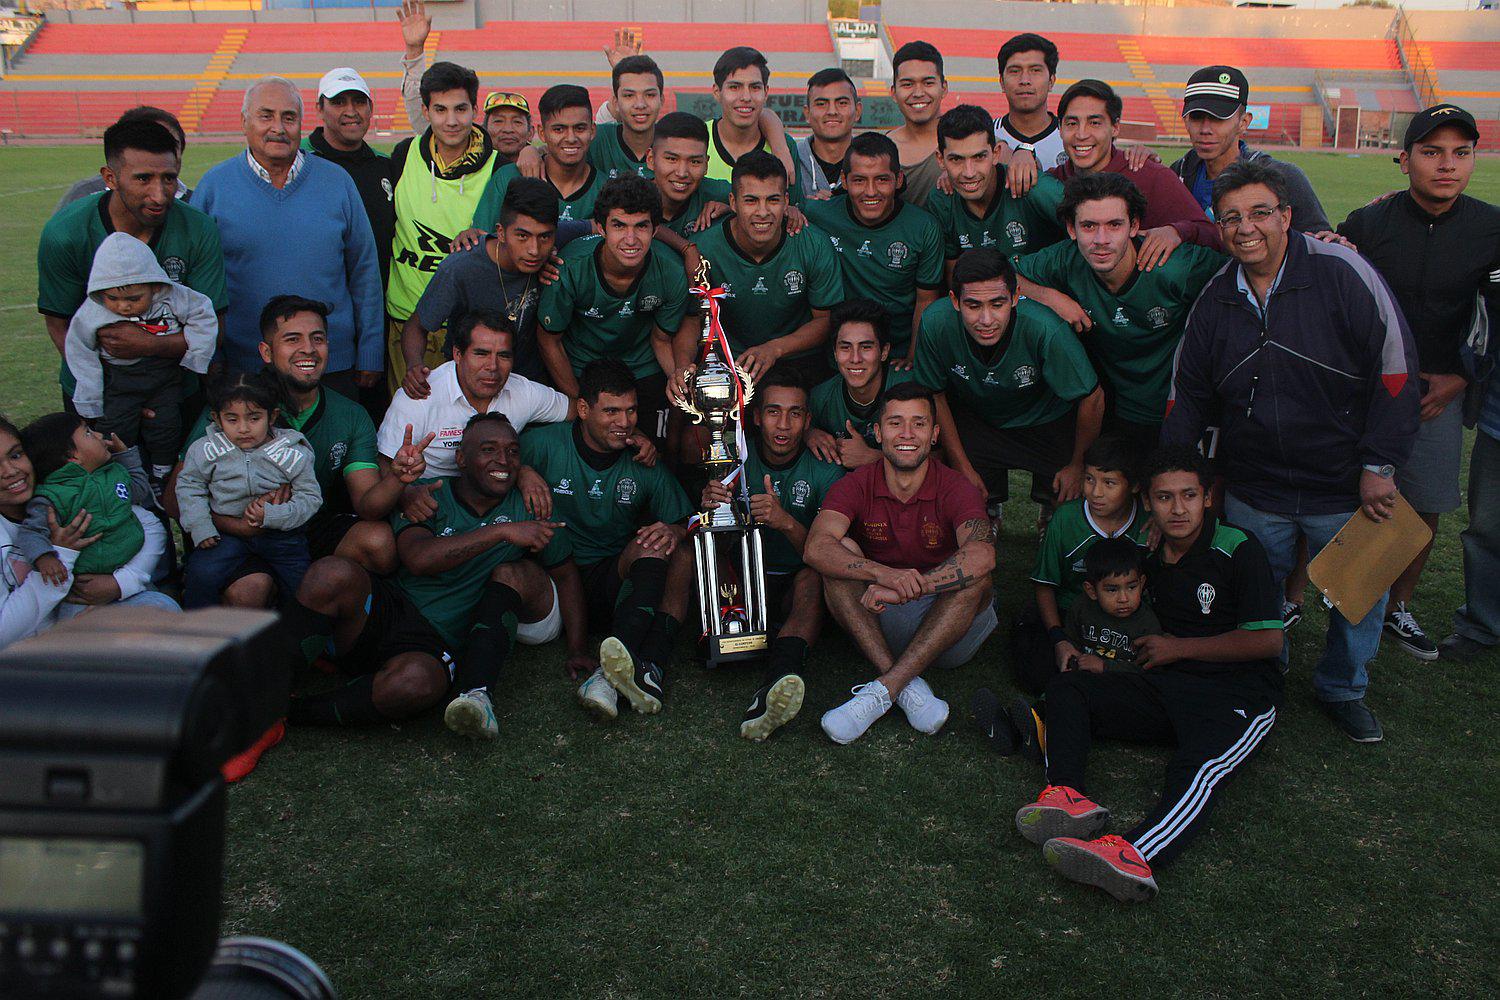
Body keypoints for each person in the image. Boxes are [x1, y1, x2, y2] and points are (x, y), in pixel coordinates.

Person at [1163, 159, 1420, 744]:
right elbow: (1188, 399)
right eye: (1230, 217)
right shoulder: (1215, 299)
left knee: (1359, 594)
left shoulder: (1342, 270)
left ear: (1286, 215)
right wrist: (1179, 479)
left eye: (1259, 213)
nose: (1245, 227)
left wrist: (1379, 466)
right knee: (1255, 591)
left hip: (1345, 480)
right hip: (1257, 485)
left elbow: (1397, 371)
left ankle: (1342, 687)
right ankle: (1262, 675)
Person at [1013, 446, 1284, 903]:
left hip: (1237, 691)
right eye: (1164, 498)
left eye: (1188, 496)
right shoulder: (1148, 553)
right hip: (1163, 681)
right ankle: (1067, 796)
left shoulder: (1238, 548)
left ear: (1208, 497)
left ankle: (1134, 853)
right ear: (1149, 502)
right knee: (1069, 684)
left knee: (1199, 768)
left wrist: (1179, 648)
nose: (1177, 509)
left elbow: (1268, 642)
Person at [283, 413, 571, 738]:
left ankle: (291, 713)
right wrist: (501, 532)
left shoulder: (532, 507)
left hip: (433, 644)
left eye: (513, 451)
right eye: (488, 449)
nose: (503, 460)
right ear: (461, 458)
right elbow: (418, 559)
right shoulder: (428, 494)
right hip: (387, 609)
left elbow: (565, 573)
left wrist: (578, 650)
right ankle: (273, 686)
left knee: (415, 684)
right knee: (331, 572)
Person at [1337, 104, 1500, 661]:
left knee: (1424, 499)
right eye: (1431, 152)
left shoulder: (1492, 228)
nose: (1446, 166)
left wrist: (1461, 376)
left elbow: (1495, 318)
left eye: (1460, 153)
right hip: (1369, 387)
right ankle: (1324, 597)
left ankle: (1397, 607)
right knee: (1341, 490)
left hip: (1437, 394)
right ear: (1404, 160)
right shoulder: (1367, 222)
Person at [165, 296, 410, 605]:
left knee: (378, 542)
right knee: (250, 588)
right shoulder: (237, 405)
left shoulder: (350, 414)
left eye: (317, 339)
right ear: (266, 352)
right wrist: (240, 524)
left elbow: (367, 506)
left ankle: (342, 637)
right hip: (234, 527)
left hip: (306, 522)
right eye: (292, 339)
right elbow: (174, 498)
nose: (308, 349)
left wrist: (398, 479)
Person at [805, 382, 996, 744]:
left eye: (919, 424)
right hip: (879, 617)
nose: (907, 434)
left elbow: (983, 553)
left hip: (949, 627)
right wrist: (883, 574)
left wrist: (914, 586)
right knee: (837, 554)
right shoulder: (857, 483)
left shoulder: (956, 486)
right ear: (877, 433)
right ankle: (907, 687)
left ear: (935, 434)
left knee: (977, 576)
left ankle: (885, 687)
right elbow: (816, 547)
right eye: (895, 423)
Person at [520, 360, 695, 720]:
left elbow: (686, 521)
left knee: (661, 543)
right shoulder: (542, 443)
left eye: (631, 410)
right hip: (553, 584)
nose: (625, 421)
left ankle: (610, 673)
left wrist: (672, 530)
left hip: (614, 584)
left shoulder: (642, 460)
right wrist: (523, 473)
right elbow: (496, 465)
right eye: (611, 411)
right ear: (583, 410)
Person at [194, 77, 383, 401]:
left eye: (288, 117)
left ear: (301, 122)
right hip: (245, 366)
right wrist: (211, 357)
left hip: (330, 364)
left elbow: (364, 270)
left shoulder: (337, 182)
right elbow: (197, 287)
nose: (278, 128)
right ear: (244, 122)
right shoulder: (214, 187)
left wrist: (369, 349)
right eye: (265, 116)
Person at [1016, 172, 1225, 453]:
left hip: (1180, 409)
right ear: (1071, 229)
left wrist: (1181, 230)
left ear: (1134, 225)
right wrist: (1050, 297)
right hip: (1117, 411)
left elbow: (1240, 274)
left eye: (1114, 225)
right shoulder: (1066, 259)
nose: (1101, 239)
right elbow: (998, 275)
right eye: (1089, 226)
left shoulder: (1174, 268)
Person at [38, 118, 226, 412]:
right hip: (100, 394)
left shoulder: (198, 229)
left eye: (168, 177)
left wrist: (149, 346)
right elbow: (59, 324)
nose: (159, 194)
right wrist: (114, 392)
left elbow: (214, 325)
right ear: (110, 178)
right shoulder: (65, 233)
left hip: (174, 390)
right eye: (143, 178)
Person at [699, 368, 844, 740]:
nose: (784, 424)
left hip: (797, 579)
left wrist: (785, 522)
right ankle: (719, 641)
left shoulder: (825, 468)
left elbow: (829, 555)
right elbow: (714, 545)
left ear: (808, 420)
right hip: (748, 581)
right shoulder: (732, 458)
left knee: (814, 579)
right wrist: (713, 513)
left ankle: (776, 681)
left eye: (795, 414)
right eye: (774, 412)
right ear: (757, 416)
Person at [914, 248, 1103, 527]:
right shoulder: (935, 322)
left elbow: (1093, 397)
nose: (986, 319)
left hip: (1045, 419)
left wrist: (1077, 463)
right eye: (973, 305)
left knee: (1068, 499)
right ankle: (988, 513)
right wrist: (962, 466)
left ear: (1015, 297)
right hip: (978, 417)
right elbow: (935, 394)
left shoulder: (1045, 328)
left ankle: (1049, 514)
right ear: (955, 301)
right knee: (964, 494)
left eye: (997, 303)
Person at [538, 176, 692, 439]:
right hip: (581, 367)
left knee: (655, 448)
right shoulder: (569, 268)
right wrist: (580, 403)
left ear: (655, 230)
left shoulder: (672, 272)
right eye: (619, 226)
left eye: (641, 226)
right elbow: (549, 341)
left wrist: (679, 379)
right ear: (600, 227)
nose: (631, 239)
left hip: (641, 366)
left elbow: (661, 338)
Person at [64, 232, 217, 488]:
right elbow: (79, 349)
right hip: (119, 381)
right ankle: (123, 477)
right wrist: (90, 396)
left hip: (164, 377)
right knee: (114, 429)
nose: (123, 307)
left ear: (154, 285)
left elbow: (203, 313)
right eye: (113, 299)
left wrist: (196, 358)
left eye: (134, 299)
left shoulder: (172, 296)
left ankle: (162, 473)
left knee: (166, 423)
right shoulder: (93, 310)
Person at [385, 61, 500, 395]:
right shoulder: (403, 155)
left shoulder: (501, 167)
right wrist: (412, 53)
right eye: (441, 109)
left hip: (468, 329)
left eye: (461, 109)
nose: (451, 120)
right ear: (426, 111)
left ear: (475, 109)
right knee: (409, 427)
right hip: (406, 321)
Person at [1004, 435, 1149, 698]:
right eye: (1089, 479)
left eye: (1109, 483)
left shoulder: (1148, 523)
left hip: (1125, 620)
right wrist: (1059, 639)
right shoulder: (1065, 518)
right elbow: (1045, 585)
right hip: (1068, 615)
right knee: (1037, 672)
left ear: (1135, 486)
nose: (1095, 492)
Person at [689, 151, 843, 384]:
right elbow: (690, 318)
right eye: (751, 200)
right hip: (729, 361)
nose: (762, 212)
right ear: (733, 202)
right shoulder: (705, 247)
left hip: (796, 358)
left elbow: (824, 320)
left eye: (772, 200)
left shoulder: (813, 244)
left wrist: (775, 349)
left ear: (786, 201)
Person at [176, 373, 322, 610]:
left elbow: (311, 497)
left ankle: (304, 640)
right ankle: (198, 633)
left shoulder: (292, 452)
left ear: (272, 416)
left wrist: (274, 516)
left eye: (254, 418)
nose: (243, 429)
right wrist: (201, 526)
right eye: (232, 420)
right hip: (225, 535)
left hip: (282, 536)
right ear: (217, 419)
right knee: (200, 573)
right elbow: (189, 486)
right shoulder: (206, 450)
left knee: (301, 586)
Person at [402, 179, 563, 390]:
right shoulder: (460, 268)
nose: (534, 249)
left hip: (528, 388)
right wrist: (415, 365)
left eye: (544, 237)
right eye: (522, 236)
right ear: (501, 232)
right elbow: (416, 326)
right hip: (468, 387)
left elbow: (597, 227)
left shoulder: (548, 253)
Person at [802, 132, 944, 365]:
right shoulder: (817, 212)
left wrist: (913, 357)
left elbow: (925, 301)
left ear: (898, 180)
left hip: (898, 353)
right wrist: (791, 212)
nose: (870, 191)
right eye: (859, 180)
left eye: (881, 179)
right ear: (844, 181)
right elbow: (777, 213)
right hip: (840, 355)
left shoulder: (924, 227)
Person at [381, 312, 571, 482]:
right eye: (481, 354)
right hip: (430, 500)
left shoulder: (523, 391)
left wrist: (525, 470)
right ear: (457, 354)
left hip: (494, 501)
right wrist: (408, 496)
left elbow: (578, 410)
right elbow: (384, 465)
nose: (492, 366)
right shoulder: (420, 396)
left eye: (503, 356)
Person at [1048, 79, 1221, 265]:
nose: (1081, 134)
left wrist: (1177, 231)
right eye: (1072, 124)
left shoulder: (1151, 175)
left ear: (1115, 127)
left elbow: (1212, 235)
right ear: (1060, 128)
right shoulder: (1052, 182)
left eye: (1095, 123)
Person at [0, 416, 122, 647]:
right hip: (30, 658)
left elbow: (146, 523)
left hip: (97, 611)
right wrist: (60, 554)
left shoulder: (61, 491)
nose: (10, 471)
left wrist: (123, 582)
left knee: (160, 605)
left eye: (15, 455)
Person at [1170, 66, 1330, 233]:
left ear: (1244, 122)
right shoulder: (1176, 174)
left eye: (1218, 118)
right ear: (1186, 120)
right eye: (1196, 117)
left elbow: (1320, 242)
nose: (1205, 129)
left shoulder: (1284, 178)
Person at [14, 416, 159, 597]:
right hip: (82, 588)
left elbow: (138, 491)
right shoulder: (54, 495)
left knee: (161, 607)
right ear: (72, 456)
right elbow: (31, 532)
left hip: (127, 571)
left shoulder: (113, 473)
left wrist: (126, 456)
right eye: (88, 433)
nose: (99, 435)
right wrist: (44, 557)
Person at [926, 104, 1066, 278]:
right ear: (940, 159)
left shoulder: (1034, 186)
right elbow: (954, 278)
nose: (969, 172)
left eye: (979, 157)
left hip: (1041, 295)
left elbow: (1090, 230)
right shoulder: (942, 200)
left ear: (996, 153)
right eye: (956, 159)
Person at [305, 68, 398, 297]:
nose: (351, 111)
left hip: (378, 303)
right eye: (338, 102)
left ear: (371, 109)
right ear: (320, 109)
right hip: (318, 305)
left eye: (359, 102)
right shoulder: (300, 162)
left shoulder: (385, 166)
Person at [470, 85, 604, 234]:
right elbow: (481, 241)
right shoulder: (508, 178)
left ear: (592, 131)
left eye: (580, 128)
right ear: (542, 133)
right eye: (559, 129)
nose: (571, 138)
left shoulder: (605, 189)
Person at [807, 299, 916, 470]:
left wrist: (873, 458)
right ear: (835, 353)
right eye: (845, 348)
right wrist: (807, 433)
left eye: (865, 347)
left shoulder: (909, 387)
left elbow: (938, 458)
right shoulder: (821, 398)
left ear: (884, 351)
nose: (855, 358)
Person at [54, 106, 192, 212]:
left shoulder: (197, 202)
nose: (157, 152)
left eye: (170, 145)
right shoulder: (82, 195)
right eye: (145, 143)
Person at [704, 46, 800, 196]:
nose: (746, 97)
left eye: (755, 87)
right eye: (735, 87)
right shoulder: (698, 141)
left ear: (766, 92)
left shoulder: (785, 147)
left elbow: (793, 209)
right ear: (717, 92)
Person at [1063, 536, 1162, 672]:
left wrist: (1105, 667)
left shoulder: (1147, 623)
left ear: (1142, 583)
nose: (1123, 598)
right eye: (1112, 590)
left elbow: (1148, 668)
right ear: (1092, 591)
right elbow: (1069, 643)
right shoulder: (1081, 608)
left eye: (1131, 587)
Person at [645, 112, 731, 242]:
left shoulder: (720, 193)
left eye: (695, 162)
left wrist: (734, 212)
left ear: (706, 164)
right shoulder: (629, 197)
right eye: (671, 159)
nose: (682, 173)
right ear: (651, 159)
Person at [993, 34, 1067, 182]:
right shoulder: (987, 135)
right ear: (1001, 82)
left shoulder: (1073, 137)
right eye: (1015, 71)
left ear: (1051, 81)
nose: (1025, 80)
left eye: (1035, 70)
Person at [885, 40, 948, 209]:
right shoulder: (881, 147)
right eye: (907, 84)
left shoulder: (965, 139)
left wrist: (1021, 153)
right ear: (893, 92)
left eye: (928, 83)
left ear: (944, 88)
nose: (918, 93)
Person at [589, 54, 665, 179]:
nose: (640, 104)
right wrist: (543, 157)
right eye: (629, 96)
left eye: (650, 95)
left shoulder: (674, 143)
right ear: (615, 102)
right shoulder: (595, 140)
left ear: (661, 100)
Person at [795, 68, 860, 199]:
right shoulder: (790, 159)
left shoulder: (874, 162)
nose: (832, 111)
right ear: (807, 113)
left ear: (857, 111)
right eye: (821, 104)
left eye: (842, 103)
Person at [482, 91, 536, 164]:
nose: (508, 129)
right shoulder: (471, 168)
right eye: (498, 121)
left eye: (517, 122)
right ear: (484, 131)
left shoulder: (544, 168)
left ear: (530, 133)